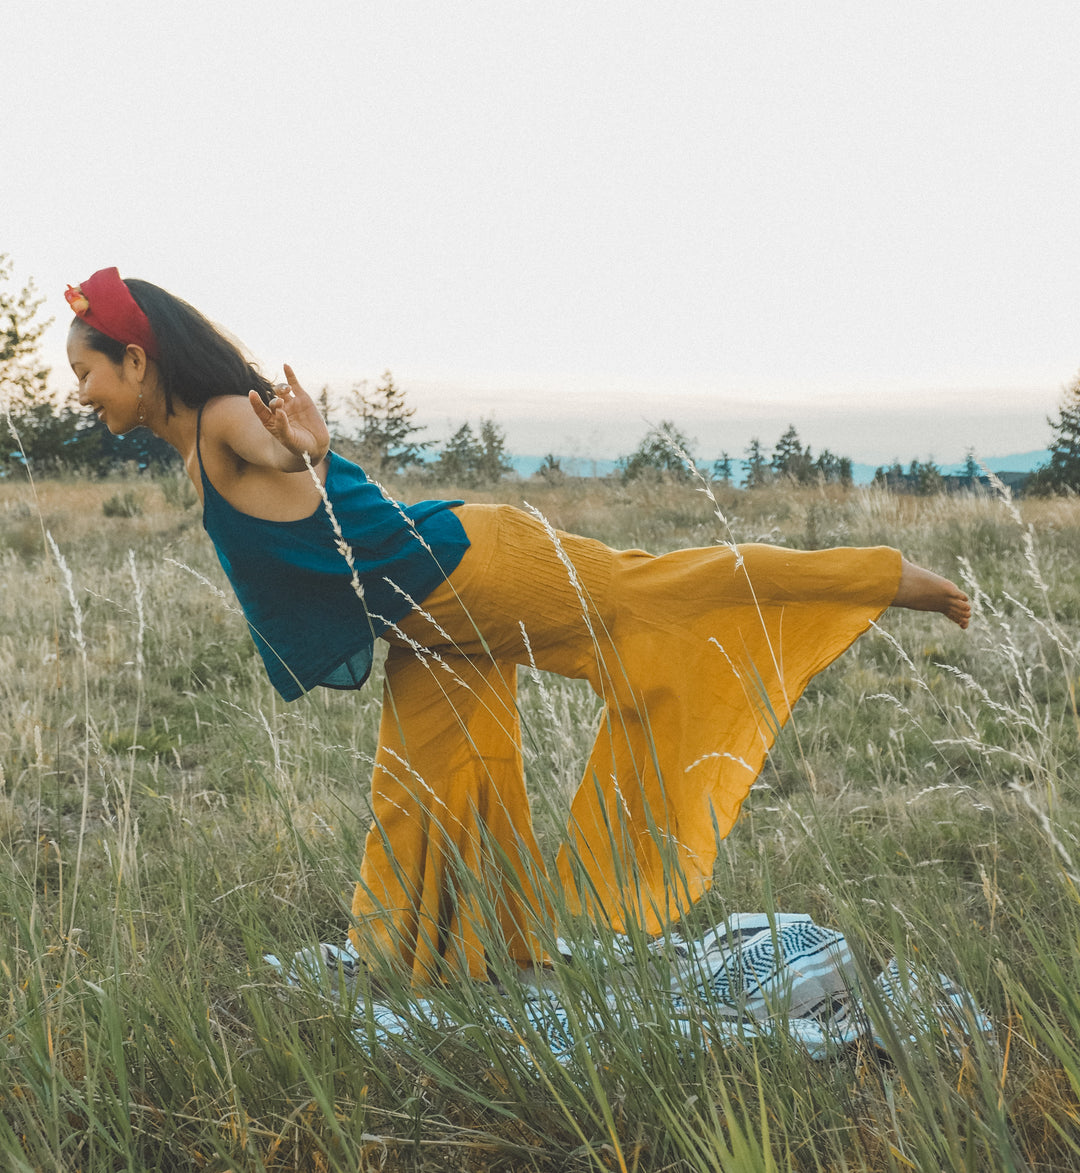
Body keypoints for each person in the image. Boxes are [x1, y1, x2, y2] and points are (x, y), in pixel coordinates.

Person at [65, 267, 972, 984]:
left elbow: (285, 451)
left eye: (85, 372)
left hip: (478, 566)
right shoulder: (198, 447)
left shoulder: (225, 421)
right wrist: (306, 457)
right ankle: (436, 959)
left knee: (657, 597)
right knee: (425, 772)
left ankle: (881, 575)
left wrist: (309, 443)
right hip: (425, 619)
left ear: (137, 361)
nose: (79, 392)